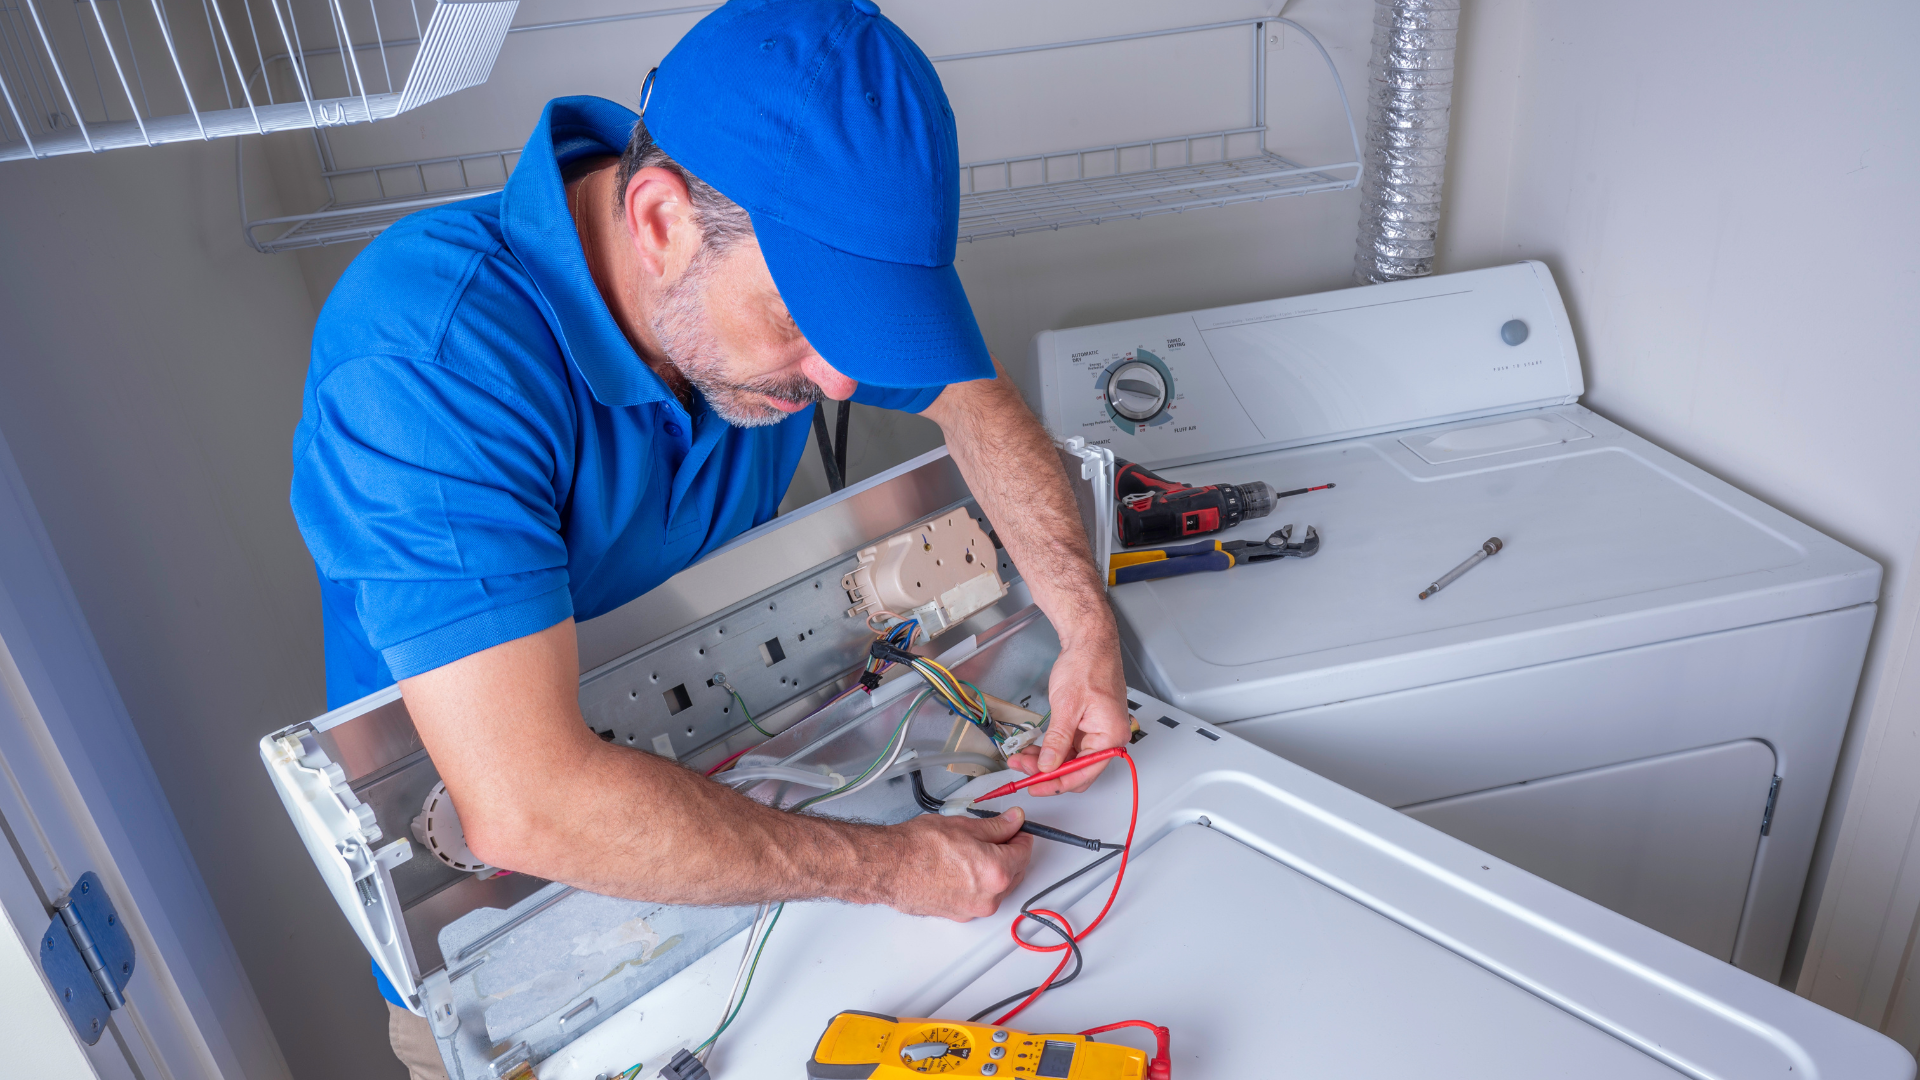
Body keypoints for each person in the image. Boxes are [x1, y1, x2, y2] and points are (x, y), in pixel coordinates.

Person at [289, 1, 1130, 1075]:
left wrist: (1079, 620)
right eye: (802, 324)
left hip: (748, 845)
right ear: (659, 220)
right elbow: (522, 807)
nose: (839, 380)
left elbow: (975, 400)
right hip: (525, 958)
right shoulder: (428, 362)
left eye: (859, 334)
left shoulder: (760, 275)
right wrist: (889, 869)